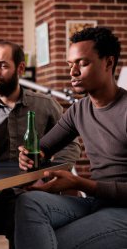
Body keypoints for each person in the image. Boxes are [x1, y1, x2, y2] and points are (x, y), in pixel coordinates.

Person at [0, 41, 81, 249]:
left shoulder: (45, 105)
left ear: (20, 68)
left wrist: (49, 175)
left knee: (23, 226)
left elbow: (71, 146)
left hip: (31, 190)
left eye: (3, 66)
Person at [16, 27, 127, 248]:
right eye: (70, 64)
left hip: (123, 209)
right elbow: (43, 147)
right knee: (28, 203)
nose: (73, 72)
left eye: (82, 63)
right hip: (98, 202)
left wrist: (80, 183)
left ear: (108, 63)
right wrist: (29, 155)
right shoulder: (79, 110)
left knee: (53, 241)